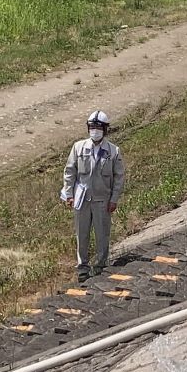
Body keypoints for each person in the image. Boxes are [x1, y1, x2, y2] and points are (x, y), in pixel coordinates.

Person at [60, 110, 125, 281]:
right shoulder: (78, 147)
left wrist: (114, 199)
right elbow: (69, 171)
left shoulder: (113, 151)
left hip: (102, 201)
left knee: (102, 234)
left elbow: (119, 177)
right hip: (82, 200)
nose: (95, 130)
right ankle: (83, 267)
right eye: (92, 127)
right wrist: (69, 194)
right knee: (82, 234)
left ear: (105, 129)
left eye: (98, 127)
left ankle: (101, 265)